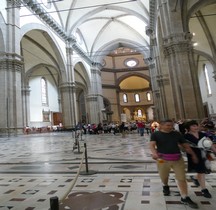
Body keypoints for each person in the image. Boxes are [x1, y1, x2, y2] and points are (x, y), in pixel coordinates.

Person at [149, 119, 199, 209]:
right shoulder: (156, 134)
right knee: (164, 176)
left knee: (182, 178)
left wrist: (193, 155)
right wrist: (154, 153)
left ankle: (184, 197)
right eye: (168, 125)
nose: (170, 127)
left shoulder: (176, 134)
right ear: (162, 125)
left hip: (177, 159)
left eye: (171, 125)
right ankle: (165, 185)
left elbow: (185, 145)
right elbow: (152, 145)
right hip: (163, 159)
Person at [184, 120, 216, 198]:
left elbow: (209, 143)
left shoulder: (203, 134)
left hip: (203, 154)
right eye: (193, 126)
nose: (195, 127)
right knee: (200, 170)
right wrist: (192, 155)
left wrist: (215, 151)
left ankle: (199, 183)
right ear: (189, 128)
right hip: (194, 155)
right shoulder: (186, 136)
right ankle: (202, 187)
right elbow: (186, 147)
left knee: (202, 171)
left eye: (196, 125)